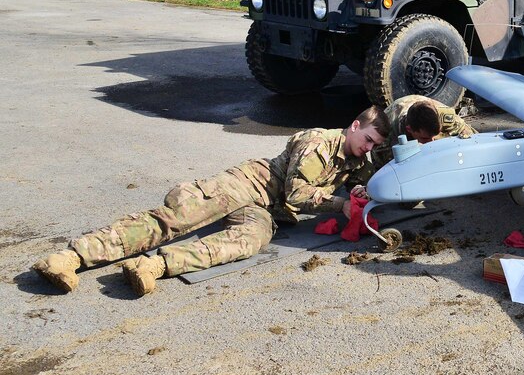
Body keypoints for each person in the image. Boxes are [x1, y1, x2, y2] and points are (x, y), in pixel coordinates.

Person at [33, 108, 391, 296]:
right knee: (176, 220)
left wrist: (356, 193)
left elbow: (357, 184)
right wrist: (340, 205)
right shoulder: (319, 143)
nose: (370, 148)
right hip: (247, 183)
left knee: (249, 241)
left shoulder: (356, 160)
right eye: (369, 139)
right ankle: (71, 257)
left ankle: (153, 267)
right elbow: (298, 193)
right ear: (355, 125)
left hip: (267, 209)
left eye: (375, 145)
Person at [371, 94, 475, 169]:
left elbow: (471, 136)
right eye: (425, 138)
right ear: (409, 130)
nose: (431, 142)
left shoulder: (443, 115)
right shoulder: (387, 130)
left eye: (434, 136)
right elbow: (379, 166)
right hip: (398, 132)